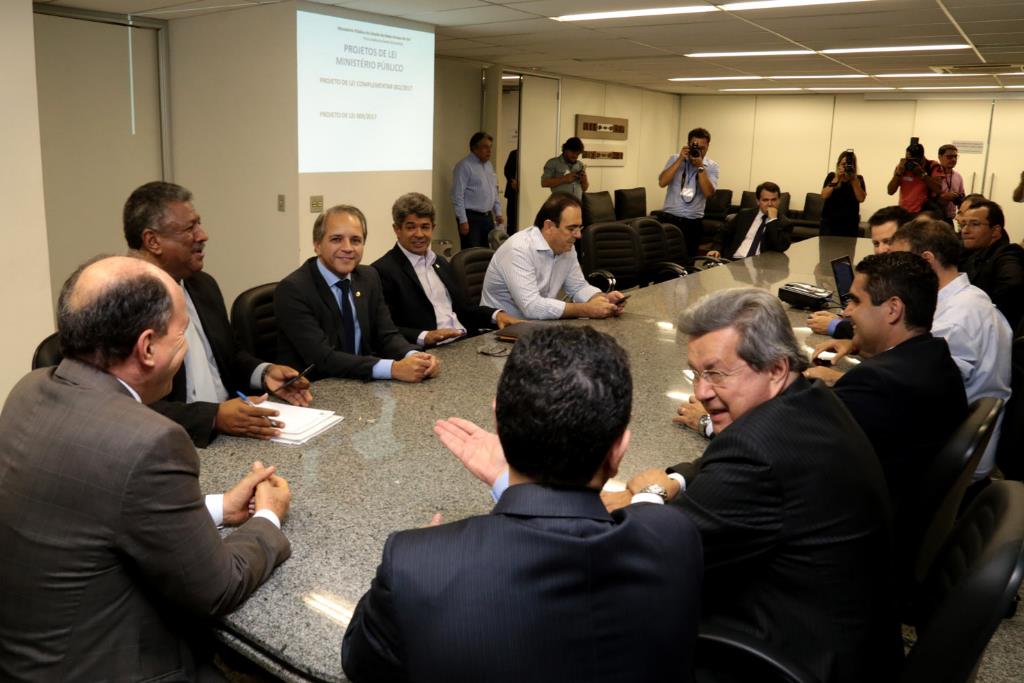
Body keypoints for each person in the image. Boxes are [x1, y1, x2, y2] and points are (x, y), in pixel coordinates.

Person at [345, 326, 704, 682]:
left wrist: (426, 553)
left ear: (497, 420)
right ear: (619, 450)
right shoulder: (676, 536)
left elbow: (360, 664)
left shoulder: (417, 563)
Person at [0, 256, 292, 681]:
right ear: (147, 347)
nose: (186, 345)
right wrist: (268, 517)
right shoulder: (151, 440)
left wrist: (217, 508)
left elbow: (98, 503)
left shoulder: (29, 389)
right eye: (182, 332)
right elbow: (219, 588)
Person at [610, 289, 900, 682]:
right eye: (696, 373)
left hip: (798, 660)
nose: (700, 392)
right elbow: (734, 459)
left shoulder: (758, 454)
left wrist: (649, 495)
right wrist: (677, 479)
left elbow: (648, 554)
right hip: (846, 633)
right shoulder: (809, 400)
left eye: (716, 373)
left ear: (776, 369)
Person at [125, 181, 312, 447]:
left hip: (233, 435)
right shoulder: (124, 304)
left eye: (199, 224)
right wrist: (213, 417)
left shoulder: (203, 285)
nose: (203, 236)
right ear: (153, 241)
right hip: (172, 445)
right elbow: (123, 405)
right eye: (190, 228)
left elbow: (229, 355)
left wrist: (265, 373)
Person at [807, 252, 967, 518]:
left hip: (862, 522)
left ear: (893, 309)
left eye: (856, 301)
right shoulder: (935, 357)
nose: (847, 312)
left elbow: (801, 450)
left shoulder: (876, 383)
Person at [889, 219, 1011, 485]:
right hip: (962, 440)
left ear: (927, 260)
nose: (893, 274)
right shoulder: (970, 296)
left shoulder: (956, 319)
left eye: (901, 262)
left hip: (952, 457)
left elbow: (916, 392)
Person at [275, 205, 441, 382]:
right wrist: (392, 369)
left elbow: (387, 335)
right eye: (336, 239)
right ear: (317, 245)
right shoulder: (293, 290)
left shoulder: (369, 277)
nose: (348, 248)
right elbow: (323, 358)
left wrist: (416, 357)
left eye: (355, 240)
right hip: (314, 387)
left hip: (360, 382)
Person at [372, 193, 517, 346]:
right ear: (397, 230)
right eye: (411, 227)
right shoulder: (382, 271)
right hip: (428, 351)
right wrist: (425, 336)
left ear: (433, 228)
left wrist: (496, 315)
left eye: (425, 227)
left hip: (465, 341)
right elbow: (384, 329)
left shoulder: (440, 263)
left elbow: (465, 310)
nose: (419, 234)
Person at [480, 194, 627, 320]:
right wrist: (585, 309)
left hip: (538, 324)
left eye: (579, 227)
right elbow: (532, 307)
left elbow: (578, 287)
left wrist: (601, 299)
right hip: (500, 329)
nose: (578, 235)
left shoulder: (566, 246)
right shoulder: (518, 249)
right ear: (549, 226)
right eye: (571, 228)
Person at [806, 205, 912, 340]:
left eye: (888, 241)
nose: (880, 250)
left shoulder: (916, 280)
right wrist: (848, 320)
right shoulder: (888, 273)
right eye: (876, 244)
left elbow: (890, 334)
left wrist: (836, 326)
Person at [959, 198, 1024, 331]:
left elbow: (1013, 285)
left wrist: (982, 313)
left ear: (995, 231)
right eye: (963, 224)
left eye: (974, 224)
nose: (965, 230)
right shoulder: (966, 253)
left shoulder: (1008, 253)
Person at [657, 126, 719, 259]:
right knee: (665, 259)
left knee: (688, 261)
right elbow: (662, 182)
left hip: (693, 223)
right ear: (688, 144)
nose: (699, 151)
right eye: (695, 147)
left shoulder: (712, 166)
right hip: (670, 219)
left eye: (702, 148)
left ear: (708, 146)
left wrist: (700, 167)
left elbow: (708, 193)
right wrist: (680, 159)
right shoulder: (675, 159)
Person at [706, 181, 792, 259]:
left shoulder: (785, 223)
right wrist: (716, 249)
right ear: (758, 201)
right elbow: (723, 233)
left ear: (779, 201)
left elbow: (780, 247)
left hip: (760, 266)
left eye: (774, 200)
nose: (770, 204)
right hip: (732, 261)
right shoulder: (745, 215)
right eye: (765, 200)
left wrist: (772, 220)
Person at [451, 131, 504, 249]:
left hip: (488, 217)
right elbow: (457, 195)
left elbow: (493, 190)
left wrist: (498, 212)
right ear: (474, 148)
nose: (489, 151)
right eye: (485, 147)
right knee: (472, 252)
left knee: (487, 252)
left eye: (490, 147)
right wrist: (463, 220)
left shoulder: (489, 165)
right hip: (471, 218)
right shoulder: (464, 166)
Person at [886, 138, 941, 213]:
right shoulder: (903, 166)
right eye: (909, 160)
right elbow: (890, 191)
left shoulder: (932, 166)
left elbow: (938, 190)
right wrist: (898, 173)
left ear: (922, 157)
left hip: (924, 212)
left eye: (915, 160)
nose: (912, 163)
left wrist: (922, 174)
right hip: (904, 212)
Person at [820, 149, 866, 236]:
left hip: (850, 225)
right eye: (843, 164)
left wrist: (853, 179)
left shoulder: (859, 179)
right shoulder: (832, 176)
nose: (846, 167)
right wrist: (837, 178)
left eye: (849, 165)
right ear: (838, 165)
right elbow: (824, 195)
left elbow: (861, 198)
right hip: (829, 224)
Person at [541, 136, 588, 200]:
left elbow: (585, 188)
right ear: (565, 149)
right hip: (560, 203)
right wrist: (564, 179)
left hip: (577, 203)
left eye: (577, 154)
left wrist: (584, 181)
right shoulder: (553, 163)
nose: (575, 156)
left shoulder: (580, 165)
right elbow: (544, 183)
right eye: (573, 152)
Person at [933, 144, 965, 220]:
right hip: (933, 218)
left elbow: (962, 196)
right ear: (940, 157)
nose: (953, 159)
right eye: (949, 157)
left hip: (949, 218)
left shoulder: (958, 176)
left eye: (955, 156)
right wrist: (944, 197)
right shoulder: (932, 175)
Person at [503, 147, 519, 233]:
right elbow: (507, 170)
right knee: (512, 220)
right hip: (513, 193)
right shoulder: (514, 153)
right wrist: (512, 181)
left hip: (526, 195)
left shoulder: (531, 154)